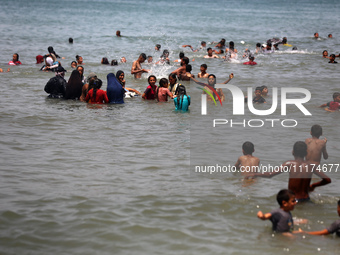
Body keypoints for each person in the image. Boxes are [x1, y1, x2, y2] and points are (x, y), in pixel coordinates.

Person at [252, 141, 331, 202]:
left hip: (293, 200)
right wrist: (313, 185)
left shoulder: (289, 164)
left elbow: (270, 174)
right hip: (306, 199)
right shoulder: (311, 166)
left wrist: (255, 174)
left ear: (293, 152)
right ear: (306, 153)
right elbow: (327, 180)